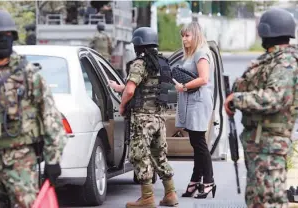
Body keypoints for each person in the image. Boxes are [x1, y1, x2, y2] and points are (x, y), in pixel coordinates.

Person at [0, 10, 67, 207]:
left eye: (7, 35)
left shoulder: (29, 75)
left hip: (22, 164)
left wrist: (53, 159)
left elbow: (51, 117)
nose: (2, 39)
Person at [224, 8, 298, 208]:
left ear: (266, 32)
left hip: (270, 148)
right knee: (257, 201)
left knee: (269, 202)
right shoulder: (272, 60)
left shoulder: (286, 62)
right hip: (260, 146)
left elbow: (275, 98)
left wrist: (238, 99)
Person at [115, 27, 178, 208]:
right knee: (160, 156)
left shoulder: (140, 64)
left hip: (142, 119)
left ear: (138, 44)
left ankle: (147, 198)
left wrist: (122, 106)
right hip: (159, 118)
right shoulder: (163, 64)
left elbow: (130, 90)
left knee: (140, 156)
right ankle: (170, 194)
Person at [173, 22, 216, 199]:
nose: (184, 39)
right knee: (196, 143)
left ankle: (208, 180)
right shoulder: (193, 54)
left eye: (187, 36)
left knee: (199, 143)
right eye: (182, 36)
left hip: (198, 101)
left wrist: (183, 86)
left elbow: (204, 79)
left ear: (196, 35)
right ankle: (195, 180)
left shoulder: (201, 53)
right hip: (193, 101)